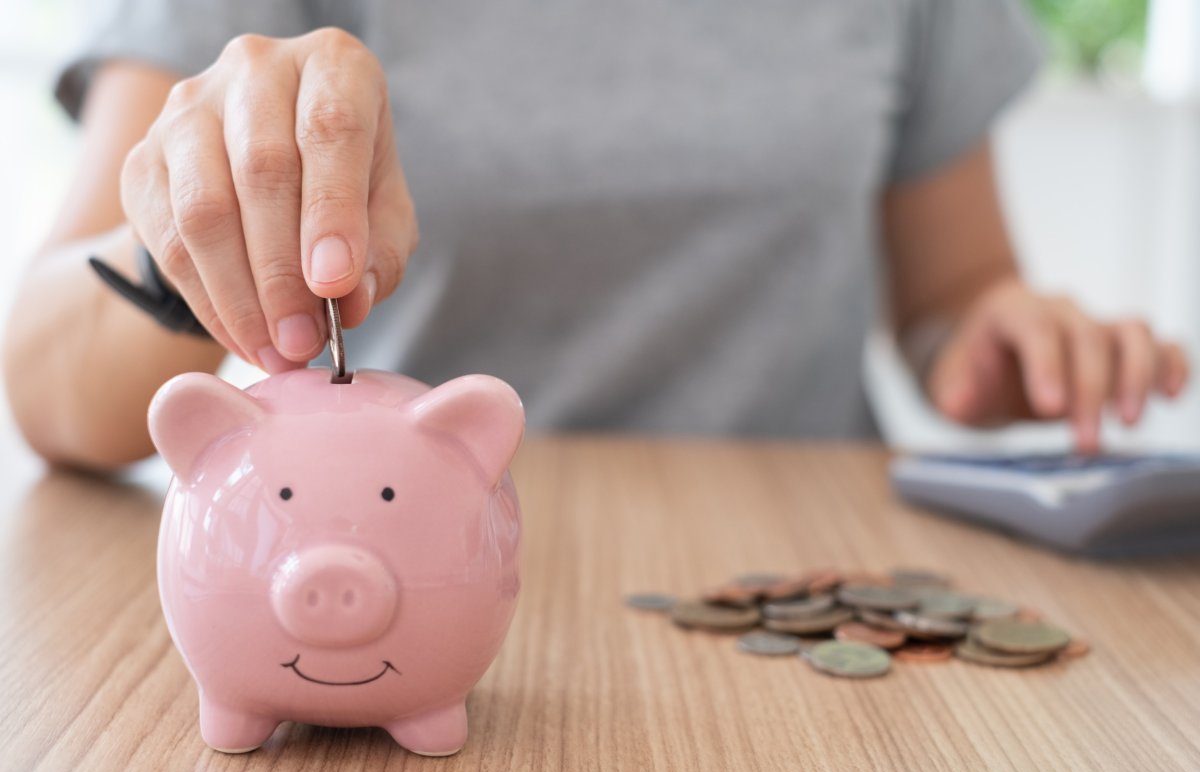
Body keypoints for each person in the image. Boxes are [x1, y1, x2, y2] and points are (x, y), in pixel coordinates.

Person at [2, 0, 1189, 470]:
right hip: (386, 548)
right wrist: (184, 240)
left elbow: (960, 291)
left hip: (808, 582)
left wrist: (999, 339)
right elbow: (44, 387)